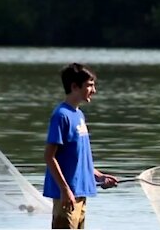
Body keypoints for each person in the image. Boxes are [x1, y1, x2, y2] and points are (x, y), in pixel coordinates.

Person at [43, 63, 118, 229]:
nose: (94, 90)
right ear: (74, 87)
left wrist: (99, 176)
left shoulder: (79, 115)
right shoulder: (61, 115)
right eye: (89, 85)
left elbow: (79, 159)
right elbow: (49, 156)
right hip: (67, 196)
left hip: (81, 193)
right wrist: (65, 190)